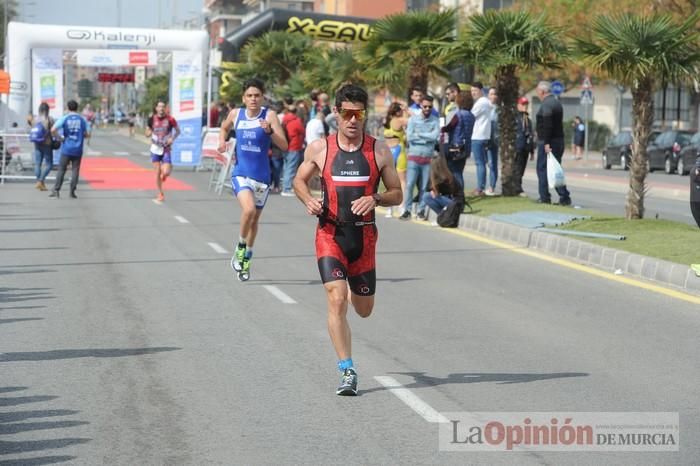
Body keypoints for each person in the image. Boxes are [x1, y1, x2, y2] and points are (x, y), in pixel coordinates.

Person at [292, 84, 402, 396]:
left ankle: (355, 290)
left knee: (363, 309)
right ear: (337, 115)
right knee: (336, 298)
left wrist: (377, 198)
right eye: (346, 113)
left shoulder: (378, 151)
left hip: (363, 240)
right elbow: (299, 180)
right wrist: (308, 200)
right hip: (330, 235)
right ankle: (347, 370)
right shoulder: (320, 148)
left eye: (358, 114)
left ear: (364, 115)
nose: (352, 120)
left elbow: (398, 193)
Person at [217, 78, 287, 281]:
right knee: (248, 210)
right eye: (249, 95)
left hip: (262, 178)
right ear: (243, 98)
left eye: (257, 95)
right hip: (241, 173)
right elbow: (223, 127)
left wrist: (270, 131)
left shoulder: (270, 116)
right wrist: (222, 141)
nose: (253, 99)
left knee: (254, 220)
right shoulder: (236, 114)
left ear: (263, 97)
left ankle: (247, 256)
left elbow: (284, 145)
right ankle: (240, 247)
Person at [400, 94, 440, 220]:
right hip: (413, 157)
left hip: (428, 158)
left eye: (430, 106)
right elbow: (410, 137)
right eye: (425, 106)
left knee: (424, 187)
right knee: (410, 184)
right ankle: (407, 210)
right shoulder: (413, 119)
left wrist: (420, 135)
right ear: (421, 106)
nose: (427, 109)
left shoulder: (435, 120)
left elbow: (435, 137)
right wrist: (427, 137)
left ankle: (421, 211)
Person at [535, 81, 572, 205]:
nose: (538, 94)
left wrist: (546, 143)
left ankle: (544, 197)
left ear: (542, 91)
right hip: (558, 141)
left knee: (542, 169)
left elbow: (547, 124)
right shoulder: (556, 103)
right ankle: (564, 196)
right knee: (555, 170)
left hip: (548, 142)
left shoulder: (546, 104)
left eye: (538, 92)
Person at [49, 100, 90, 199]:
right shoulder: (82, 119)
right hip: (78, 148)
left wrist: (60, 138)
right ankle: (72, 192)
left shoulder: (65, 118)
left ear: (68, 108)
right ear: (77, 108)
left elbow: (53, 130)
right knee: (75, 170)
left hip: (67, 148)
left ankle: (56, 190)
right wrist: (81, 135)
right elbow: (88, 134)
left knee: (62, 170)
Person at [145, 101, 180, 202]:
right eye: (159, 107)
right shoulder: (152, 119)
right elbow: (146, 133)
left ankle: (164, 174)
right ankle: (160, 193)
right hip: (155, 148)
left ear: (165, 108)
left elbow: (178, 131)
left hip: (166, 148)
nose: (161, 109)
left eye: (163, 107)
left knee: (166, 172)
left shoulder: (170, 119)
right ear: (156, 108)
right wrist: (149, 132)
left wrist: (172, 138)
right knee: (157, 173)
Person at [442, 90, 474, 190]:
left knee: (454, 172)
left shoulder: (458, 115)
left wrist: (441, 127)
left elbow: (448, 127)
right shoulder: (471, 116)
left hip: (455, 147)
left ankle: (458, 196)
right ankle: (459, 196)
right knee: (459, 171)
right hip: (466, 147)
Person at [383, 102, 408, 217]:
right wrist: (406, 110)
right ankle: (401, 207)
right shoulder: (399, 120)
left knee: (388, 181)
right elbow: (411, 120)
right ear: (398, 111)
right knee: (402, 181)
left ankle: (389, 209)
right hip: (399, 150)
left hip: (388, 151)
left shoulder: (386, 121)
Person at [422, 155, 465, 220]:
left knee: (427, 196)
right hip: (450, 202)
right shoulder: (436, 177)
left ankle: (443, 217)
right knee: (427, 196)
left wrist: (434, 192)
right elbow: (428, 189)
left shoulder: (445, 178)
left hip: (456, 203)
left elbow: (445, 194)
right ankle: (442, 217)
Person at [469, 82, 491, 196]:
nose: (473, 93)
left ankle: (480, 188)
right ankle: (480, 187)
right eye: (472, 91)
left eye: (475, 91)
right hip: (482, 135)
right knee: (480, 162)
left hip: (478, 136)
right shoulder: (484, 102)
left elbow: (471, 116)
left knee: (479, 163)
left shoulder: (481, 102)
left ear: (481, 91)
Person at [281, 104, 305, 196]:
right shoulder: (296, 121)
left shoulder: (284, 120)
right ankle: (287, 189)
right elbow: (302, 131)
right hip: (294, 147)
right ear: (296, 112)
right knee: (291, 168)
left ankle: (284, 186)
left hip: (285, 146)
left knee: (286, 167)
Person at [514, 96, 535, 197]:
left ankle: (518, 186)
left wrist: (532, 151)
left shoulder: (528, 120)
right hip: (517, 147)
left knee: (521, 169)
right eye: (523, 104)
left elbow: (530, 135)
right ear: (518, 105)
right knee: (517, 168)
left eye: (526, 104)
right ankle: (517, 188)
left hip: (525, 149)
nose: (525, 106)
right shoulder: (515, 118)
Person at [32, 102, 54, 191]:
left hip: (37, 143)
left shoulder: (35, 119)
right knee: (49, 164)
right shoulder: (49, 119)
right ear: (48, 110)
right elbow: (53, 130)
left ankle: (39, 183)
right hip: (47, 144)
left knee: (38, 163)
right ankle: (40, 181)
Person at [485, 87, 499, 196]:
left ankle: (491, 186)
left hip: (494, 140)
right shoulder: (485, 107)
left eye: (495, 94)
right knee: (482, 163)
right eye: (491, 94)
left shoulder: (500, 109)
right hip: (483, 137)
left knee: (492, 163)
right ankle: (481, 186)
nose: (493, 96)